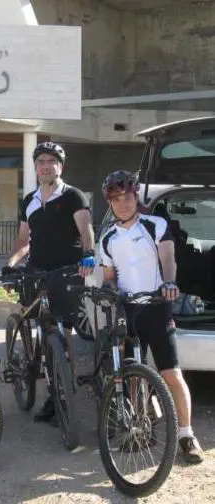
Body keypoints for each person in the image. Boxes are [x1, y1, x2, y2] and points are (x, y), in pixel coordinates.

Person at [99, 169, 204, 464]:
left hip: (157, 306)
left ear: (136, 197)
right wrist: (109, 290)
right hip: (128, 310)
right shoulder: (107, 236)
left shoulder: (155, 224)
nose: (123, 204)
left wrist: (169, 282)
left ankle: (186, 435)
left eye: (127, 197)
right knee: (133, 372)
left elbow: (168, 258)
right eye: (116, 199)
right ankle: (140, 429)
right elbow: (109, 276)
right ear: (109, 203)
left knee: (171, 373)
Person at [3, 141, 95, 423]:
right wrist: (10, 264)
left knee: (62, 335)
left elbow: (86, 229)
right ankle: (49, 391)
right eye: (41, 162)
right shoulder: (29, 200)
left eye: (51, 162)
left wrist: (89, 254)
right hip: (37, 272)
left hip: (66, 273)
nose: (45, 167)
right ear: (35, 167)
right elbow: (24, 240)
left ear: (60, 167)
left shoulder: (73, 196)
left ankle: (63, 397)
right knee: (43, 330)